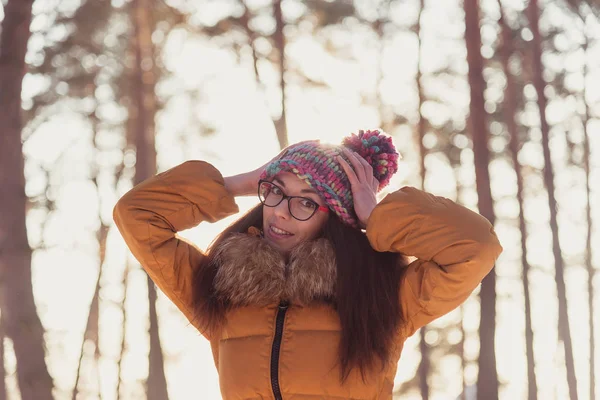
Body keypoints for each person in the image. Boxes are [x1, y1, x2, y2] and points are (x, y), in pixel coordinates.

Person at [113, 129, 503, 400]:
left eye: (305, 201)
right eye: (276, 191)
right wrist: (240, 183)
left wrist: (376, 216)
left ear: (334, 217)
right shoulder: (221, 288)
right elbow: (136, 215)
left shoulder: (384, 297)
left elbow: (476, 247)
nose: (280, 213)